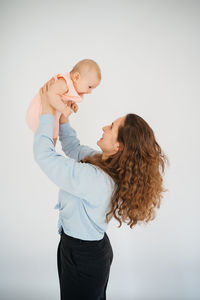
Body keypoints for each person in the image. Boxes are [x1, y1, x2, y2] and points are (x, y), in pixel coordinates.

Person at [33, 78, 167, 300]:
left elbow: (45, 156)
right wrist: (63, 118)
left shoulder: (97, 180)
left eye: (112, 127)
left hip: (83, 256)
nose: (104, 127)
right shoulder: (102, 162)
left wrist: (48, 109)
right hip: (81, 249)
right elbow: (74, 148)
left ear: (119, 146)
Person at [26, 59, 101, 146]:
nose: (90, 91)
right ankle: (48, 154)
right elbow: (51, 94)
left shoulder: (72, 87)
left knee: (53, 139)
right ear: (77, 77)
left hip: (51, 115)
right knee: (49, 139)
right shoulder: (64, 83)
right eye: (90, 87)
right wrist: (64, 108)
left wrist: (72, 104)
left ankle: (50, 153)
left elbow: (64, 98)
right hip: (40, 111)